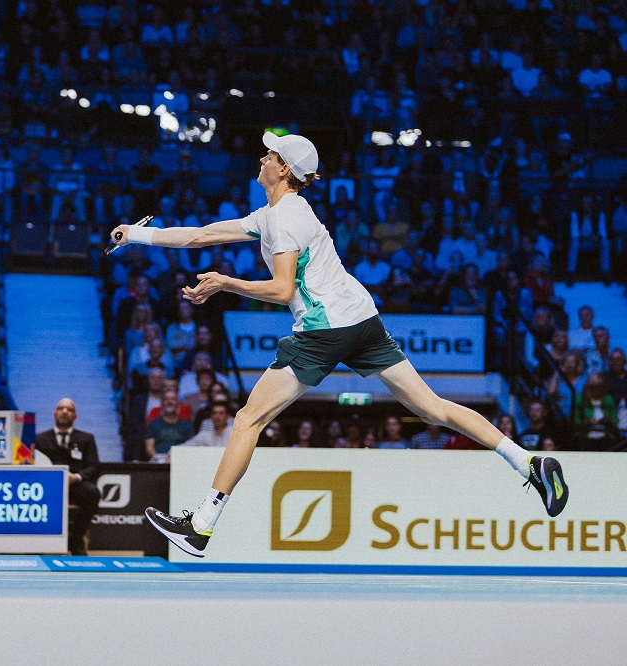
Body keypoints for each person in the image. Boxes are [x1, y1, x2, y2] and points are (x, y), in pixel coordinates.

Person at [113, 131, 569, 558]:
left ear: (285, 169)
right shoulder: (272, 214)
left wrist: (225, 282)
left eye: (270, 155)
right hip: (361, 319)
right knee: (432, 407)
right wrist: (134, 233)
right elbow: (201, 234)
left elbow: (283, 291)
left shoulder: (287, 218)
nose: (262, 158)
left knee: (248, 419)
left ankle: (202, 526)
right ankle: (528, 462)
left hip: (324, 328)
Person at [34, 399, 100, 556]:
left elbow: (94, 466)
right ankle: (41, 542)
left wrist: (77, 477)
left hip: (74, 485)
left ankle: (75, 540)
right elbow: (32, 464)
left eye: (69, 409)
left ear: (75, 416)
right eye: (61, 408)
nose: (64, 411)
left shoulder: (86, 438)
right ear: (54, 413)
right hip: (48, 486)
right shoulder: (39, 438)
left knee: (92, 493)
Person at [144, 390, 195, 461]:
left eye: (173, 399)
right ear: (162, 403)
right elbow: (149, 448)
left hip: (180, 461)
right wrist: (161, 461)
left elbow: (191, 448)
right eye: (166, 399)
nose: (169, 402)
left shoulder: (187, 425)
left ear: (178, 403)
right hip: (157, 462)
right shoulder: (153, 424)